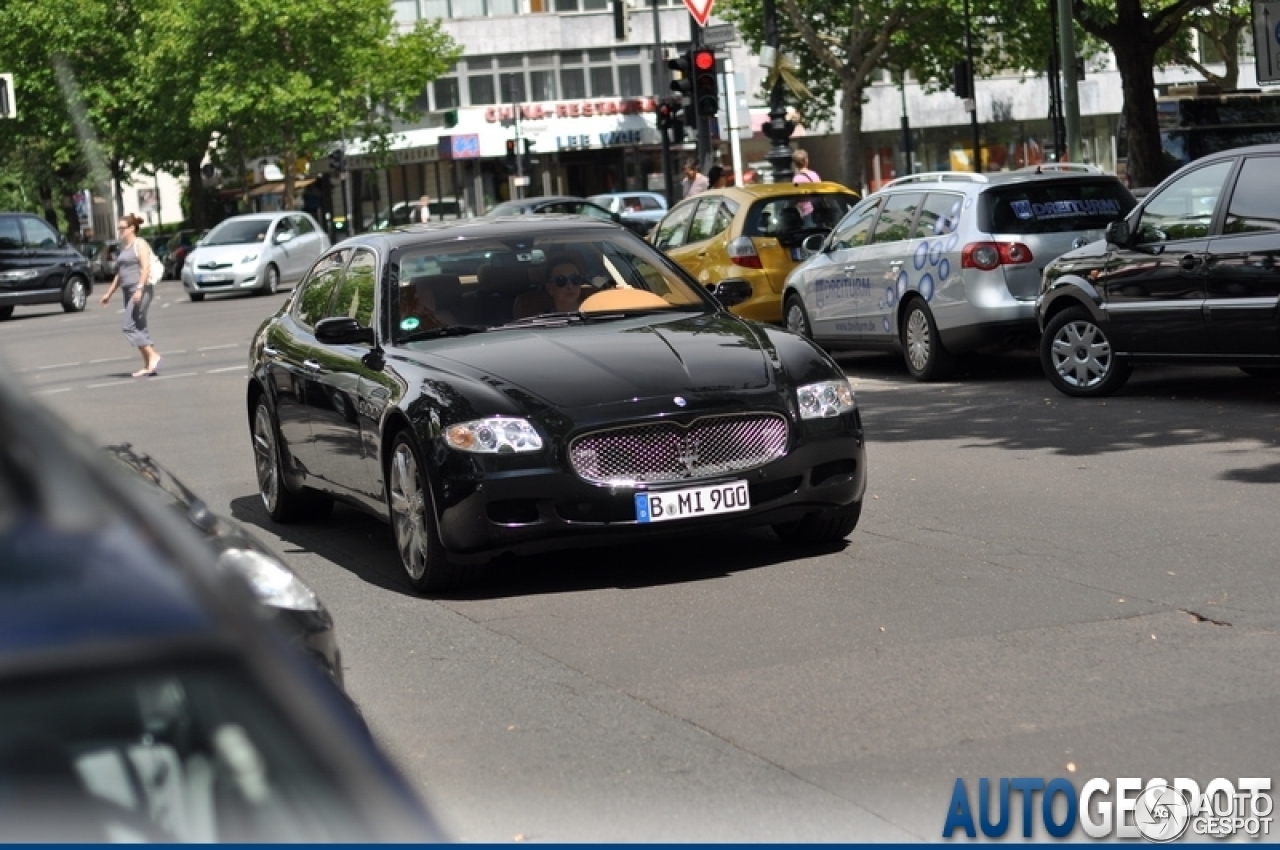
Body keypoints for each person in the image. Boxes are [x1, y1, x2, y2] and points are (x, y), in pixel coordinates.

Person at [98, 214, 161, 377]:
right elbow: (120, 274)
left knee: (129, 326)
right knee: (139, 326)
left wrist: (139, 289)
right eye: (118, 228)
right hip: (128, 291)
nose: (119, 231)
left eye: (122, 228)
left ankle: (153, 355)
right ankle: (148, 366)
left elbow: (145, 267)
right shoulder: (124, 248)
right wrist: (108, 294)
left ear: (132, 228)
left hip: (140, 290)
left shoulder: (139, 244)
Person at [514, 254, 588, 318]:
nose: (570, 286)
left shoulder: (596, 312)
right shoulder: (540, 321)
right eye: (561, 280)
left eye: (575, 279)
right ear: (549, 288)